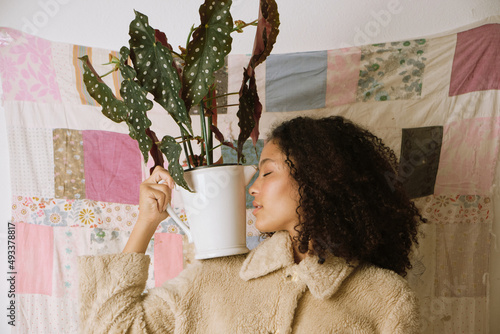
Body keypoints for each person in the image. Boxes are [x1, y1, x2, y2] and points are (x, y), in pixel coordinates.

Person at [79, 115, 424, 333]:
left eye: (268, 172)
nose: (253, 187)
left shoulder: (386, 298)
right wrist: (146, 222)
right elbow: (112, 328)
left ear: (318, 178)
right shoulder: (215, 277)